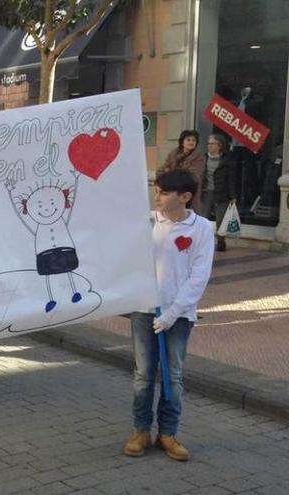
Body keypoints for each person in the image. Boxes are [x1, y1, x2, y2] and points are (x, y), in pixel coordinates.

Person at [122, 168, 214, 463]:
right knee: (143, 374)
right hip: (145, 310)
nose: (157, 196)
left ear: (184, 197)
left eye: (163, 192)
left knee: (172, 375)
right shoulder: (147, 222)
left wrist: (173, 314)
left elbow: (199, 277)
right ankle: (140, 431)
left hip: (179, 315)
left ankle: (168, 433)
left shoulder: (201, 229)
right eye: (156, 190)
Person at [200, 134, 238, 252]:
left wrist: (233, 196)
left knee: (220, 219)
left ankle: (220, 241)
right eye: (208, 143)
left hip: (221, 193)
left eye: (212, 144)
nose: (209, 146)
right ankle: (202, 242)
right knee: (203, 218)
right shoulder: (203, 158)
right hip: (206, 192)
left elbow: (232, 179)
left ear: (219, 145)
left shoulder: (226, 160)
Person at [158, 130, 205, 213]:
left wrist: (170, 173)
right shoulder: (173, 154)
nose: (191, 142)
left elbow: (192, 175)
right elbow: (161, 171)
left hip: (189, 192)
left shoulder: (199, 157)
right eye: (188, 139)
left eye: (194, 140)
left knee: (189, 216)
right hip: (172, 190)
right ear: (182, 141)